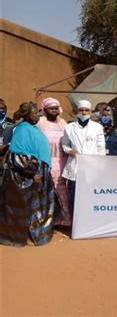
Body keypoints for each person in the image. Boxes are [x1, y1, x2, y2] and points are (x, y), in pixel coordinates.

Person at [0, 102, 55, 246]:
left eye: (38, 112)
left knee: (37, 206)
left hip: (39, 171)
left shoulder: (33, 128)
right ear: (27, 114)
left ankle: (36, 234)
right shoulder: (22, 129)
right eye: (35, 112)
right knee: (26, 207)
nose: (38, 114)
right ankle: (24, 236)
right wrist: (31, 174)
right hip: (27, 175)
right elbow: (17, 156)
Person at [62, 100, 106, 220]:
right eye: (81, 110)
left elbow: (101, 148)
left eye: (86, 110)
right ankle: (75, 223)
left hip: (91, 167)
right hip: (75, 166)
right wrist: (70, 151)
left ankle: (88, 221)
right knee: (74, 196)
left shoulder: (97, 127)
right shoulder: (69, 127)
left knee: (89, 196)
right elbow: (65, 144)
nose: (84, 112)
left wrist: (99, 167)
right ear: (77, 111)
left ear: (90, 112)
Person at [37, 97, 70, 227]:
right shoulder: (40, 122)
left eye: (56, 108)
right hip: (46, 161)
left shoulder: (63, 123)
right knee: (47, 191)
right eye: (51, 108)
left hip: (62, 161)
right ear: (45, 110)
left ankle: (64, 220)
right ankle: (47, 222)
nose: (54, 111)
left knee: (63, 191)